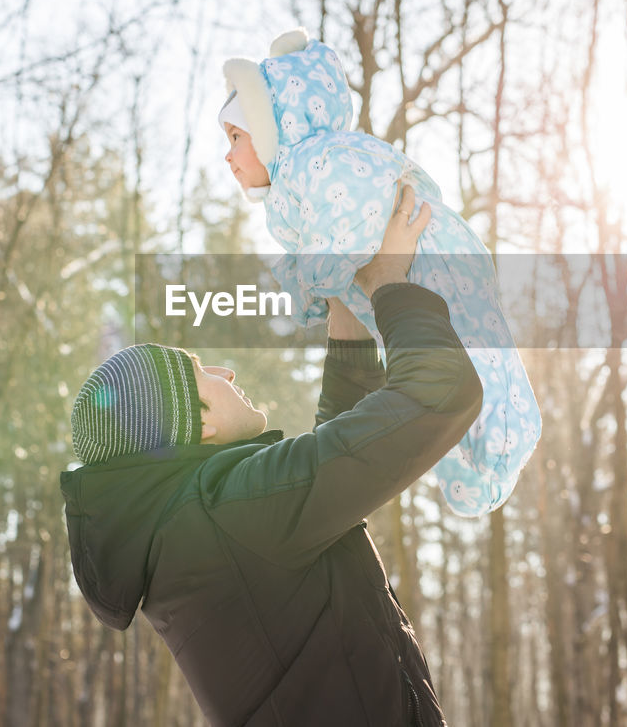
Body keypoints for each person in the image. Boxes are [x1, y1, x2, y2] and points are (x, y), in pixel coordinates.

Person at [60, 187, 477, 726]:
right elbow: (441, 391)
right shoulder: (227, 513)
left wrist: (345, 313)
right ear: (199, 423)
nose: (226, 373)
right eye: (202, 373)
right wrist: (387, 283)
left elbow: (325, 478)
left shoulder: (196, 531)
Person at [217, 27, 541, 516]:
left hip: (435, 263)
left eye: (236, 136)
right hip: (409, 283)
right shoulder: (296, 180)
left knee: (474, 355)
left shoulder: (321, 159)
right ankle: (477, 468)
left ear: (271, 128)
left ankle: (501, 444)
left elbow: (341, 231)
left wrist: (309, 285)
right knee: (445, 366)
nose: (228, 155)